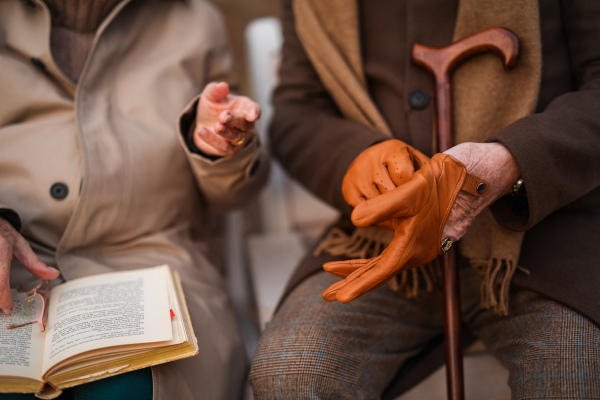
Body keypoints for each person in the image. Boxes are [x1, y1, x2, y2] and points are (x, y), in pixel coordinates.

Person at [249, 0, 600, 398]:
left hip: (546, 239)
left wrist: (508, 161)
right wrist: (356, 158)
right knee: (292, 376)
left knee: (570, 379)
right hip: (382, 242)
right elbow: (298, 110)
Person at [0, 0, 268, 399]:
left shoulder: (194, 21)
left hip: (157, 266)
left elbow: (235, 195)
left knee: (132, 390)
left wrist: (219, 148)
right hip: (10, 270)